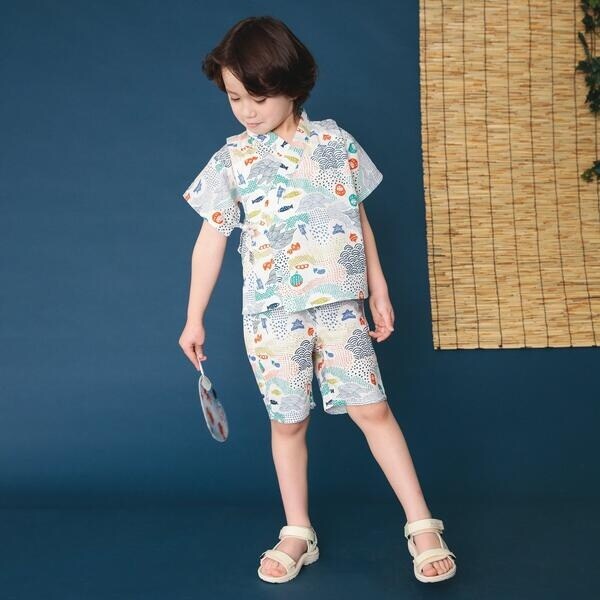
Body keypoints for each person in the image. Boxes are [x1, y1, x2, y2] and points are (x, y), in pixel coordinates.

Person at [178, 15, 457, 585]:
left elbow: (357, 216)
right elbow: (210, 239)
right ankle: (297, 530)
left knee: (373, 410)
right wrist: (193, 317)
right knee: (288, 423)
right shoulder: (231, 161)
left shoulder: (336, 144)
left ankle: (422, 524)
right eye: (235, 98)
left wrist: (377, 287)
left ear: (292, 84)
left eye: (258, 97)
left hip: (339, 309)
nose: (246, 110)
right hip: (270, 318)